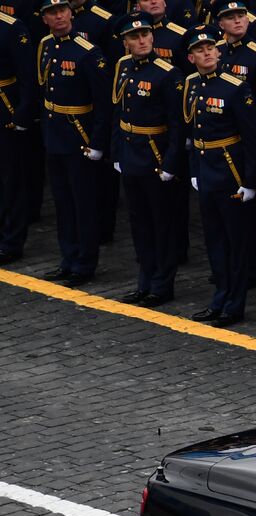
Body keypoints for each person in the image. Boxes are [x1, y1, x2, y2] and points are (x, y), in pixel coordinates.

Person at [184, 26, 256, 325]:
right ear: (191, 58)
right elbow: (192, 132)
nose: (207, 53)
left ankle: (234, 304)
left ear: (218, 52)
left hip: (230, 171)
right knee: (214, 239)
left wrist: (249, 182)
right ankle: (220, 297)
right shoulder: (191, 84)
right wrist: (194, 170)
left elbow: (251, 138)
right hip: (206, 170)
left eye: (210, 48)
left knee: (235, 241)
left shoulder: (235, 88)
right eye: (199, 50)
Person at [110, 12, 182, 307]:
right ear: (125, 42)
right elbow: (119, 111)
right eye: (134, 37)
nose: (141, 41)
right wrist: (117, 152)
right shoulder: (123, 66)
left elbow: (177, 125)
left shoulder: (167, 73)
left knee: (161, 223)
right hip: (131, 154)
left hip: (155, 156)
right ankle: (145, 280)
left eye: (145, 35)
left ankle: (162, 284)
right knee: (139, 222)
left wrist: (171, 163)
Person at [37, 0, 109, 286]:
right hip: (54, 134)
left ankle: (85, 263)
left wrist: (97, 143)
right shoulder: (46, 45)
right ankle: (68, 257)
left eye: (62, 11)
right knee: (63, 202)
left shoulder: (88, 53)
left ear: (70, 13)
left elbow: (103, 103)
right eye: (52, 13)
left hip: (80, 137)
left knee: (83, 204)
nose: (59, 16)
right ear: (44, 19)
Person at [0, 6, 37, 265]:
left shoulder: (11, 27)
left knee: (10, 179)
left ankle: (11, 241)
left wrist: (22, 115)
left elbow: (27, 76)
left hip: (5, 109)